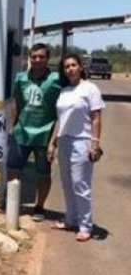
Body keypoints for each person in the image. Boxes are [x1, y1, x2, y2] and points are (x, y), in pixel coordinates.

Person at [0, 43, 61, 221]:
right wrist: (12, 126)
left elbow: (61, 109)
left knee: (43, 172)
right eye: (34, 57)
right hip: (22, 132)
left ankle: (39, 207)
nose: (37, 60)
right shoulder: (21, 78)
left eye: (41, 57)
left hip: (44, 134)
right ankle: (12, 204)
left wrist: (54, 139)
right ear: (29, 58)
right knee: (13, 168)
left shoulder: (56, 79)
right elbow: (16, 103)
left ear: (47, 59)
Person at [47, 53, 104, 242]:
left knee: (80, 184)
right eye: (66, 66)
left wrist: (95, 143)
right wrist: (52, 142)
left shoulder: (90, 89)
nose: (70, 69)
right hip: (64, 140)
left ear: (81, 67)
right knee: (66, 183)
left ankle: (86, 225)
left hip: (82, 141)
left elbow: (96, 117)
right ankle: (70, 219)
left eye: (73, 65)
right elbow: (60, 120)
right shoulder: (64, 91)